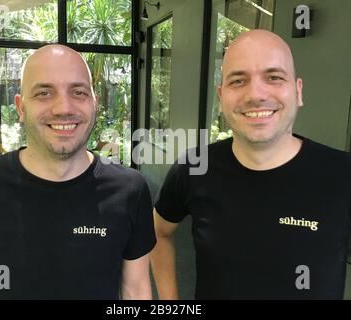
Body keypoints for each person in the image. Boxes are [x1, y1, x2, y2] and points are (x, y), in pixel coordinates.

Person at [150, 29, 351, 299]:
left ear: (298, 91)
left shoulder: (341, 174)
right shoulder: (194, 168)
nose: (255, 93)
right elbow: (158, 233)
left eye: (274, 77)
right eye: (238, 80)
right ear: (221, 97)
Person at [0, 45, 156, 300]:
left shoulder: (130, 190)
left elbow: (136, 290)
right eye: (44, 93)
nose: (64, 107)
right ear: (21, 107)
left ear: (94, 104)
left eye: (79, 92)